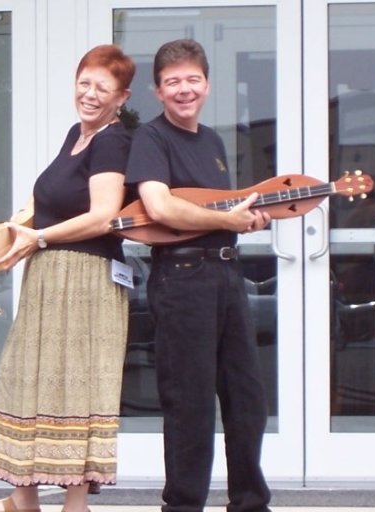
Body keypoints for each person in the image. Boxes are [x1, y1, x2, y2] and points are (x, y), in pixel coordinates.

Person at [0, 44, 136, 512]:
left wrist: (37, 238)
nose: (90, 94)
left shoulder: (112, 140)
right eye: (85, 82)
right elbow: (44, 204)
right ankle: (23, 499)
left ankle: (74, 504)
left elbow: (103, 216)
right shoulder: (75, 135)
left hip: (85, 278)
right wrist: (2, 239)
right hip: (49, 276)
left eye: (103, 88)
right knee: (28, 378)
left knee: (74, 385)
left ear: (121, 97)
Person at [125, 39, 272, 512]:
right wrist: (228, 221)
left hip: (227, 276)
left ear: (207, 85)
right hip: (181, 279)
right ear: (158, 90)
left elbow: (221, 211)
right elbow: (160, 207)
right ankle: (183, 505)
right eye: (173, 83)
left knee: (246, 398)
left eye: (192, 80)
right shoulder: (150, 138)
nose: (183, 90)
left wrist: (249, 220)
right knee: (190, 404)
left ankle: (250, 503)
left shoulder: (212, 140)